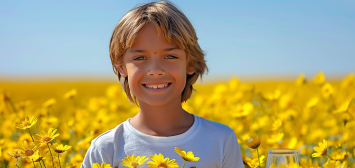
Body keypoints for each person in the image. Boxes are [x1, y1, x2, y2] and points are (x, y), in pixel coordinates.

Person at [81, 1, 244, 168]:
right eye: (140, 58)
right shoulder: (106, 149)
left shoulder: (221, 140)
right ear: (122, 67)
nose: (155, 70)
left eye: (170, 56)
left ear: (190, 64)